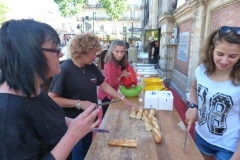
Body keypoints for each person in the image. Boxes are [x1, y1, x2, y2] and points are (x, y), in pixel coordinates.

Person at [0, 19, 100, 160]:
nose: (60, 54)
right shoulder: (7, 113)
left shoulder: (32, 90)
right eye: (55, 48)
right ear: (31, 54)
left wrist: (75, 123)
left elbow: (45, 117)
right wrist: (72, 135)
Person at [48, 33, 137, 160]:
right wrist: (79, 103)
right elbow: (52, 98)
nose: (96, 57)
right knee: (78, 155)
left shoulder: (90, 67)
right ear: (83, 51)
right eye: (94, 53)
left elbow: (105, 86)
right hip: (72, 123)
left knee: (88, 150)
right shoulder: (65, 69)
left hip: (89, 120)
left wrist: (123, 99)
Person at [185, 26, 240, 160]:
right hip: (202, 136)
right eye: (220, 54)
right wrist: (193, 106)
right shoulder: (201, 70)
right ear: (211, 50)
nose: (225, 61)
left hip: (229, 145)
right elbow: (193, 89)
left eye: (233, 56)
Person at [97, 40, 136, 118]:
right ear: (112, 51)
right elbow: (112, 83)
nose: (120, 55)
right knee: (107, 117)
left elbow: (127, 66)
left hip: (114, 92)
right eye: (117, 51)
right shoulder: (110, 63)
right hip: (106, 95)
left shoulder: (121, 60)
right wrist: (122, 75)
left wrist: (132, 78)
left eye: (122, 52)